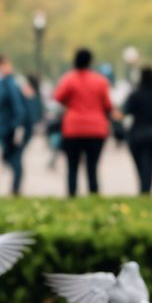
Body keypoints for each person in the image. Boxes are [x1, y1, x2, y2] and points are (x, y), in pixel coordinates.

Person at [53, 47, 113, 197]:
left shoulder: (69, 79)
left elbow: (58, 97)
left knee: (72, 166)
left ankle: (72, 195)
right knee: (92, 166)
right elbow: (108, 105)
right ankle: (93, 195)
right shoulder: (101, 81)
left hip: (73, 129)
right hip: (96, 129)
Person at [118, 67, 152, 195]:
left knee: (140, 163)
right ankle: (147, 189)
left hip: (138, 133)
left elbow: (124, 111)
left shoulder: (135, 95)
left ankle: (143, 188)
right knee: (151, 162)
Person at [0, 55, 25, 195]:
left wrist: (16, 127)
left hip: (7, 128)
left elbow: (18, 108)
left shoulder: (8, 83)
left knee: (12, 159)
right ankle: (14, 189)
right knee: (10, 158)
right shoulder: (6, 82)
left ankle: (15, 189)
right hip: (5, 127)